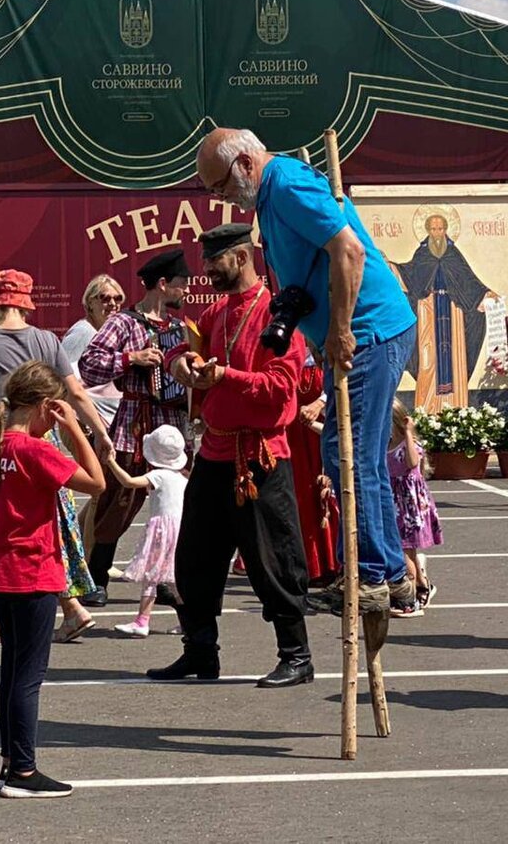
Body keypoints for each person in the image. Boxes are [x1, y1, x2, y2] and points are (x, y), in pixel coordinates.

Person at [196, 128, 417, 615]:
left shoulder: (287, 184)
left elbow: (349, 250)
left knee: (349, 455)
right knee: (356, 455)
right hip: (370, 330)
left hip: (370, 330)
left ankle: (372, 575)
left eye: (220, 185)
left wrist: (340, 331)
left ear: (245, 164)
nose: (221, 197)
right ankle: (389, 573)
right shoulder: (273, 192)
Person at [149, 223, 313, 687]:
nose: (206, 270)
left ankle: (297, 656)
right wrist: (180, 363)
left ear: (241, 258)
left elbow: (281, 389)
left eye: (213, 261)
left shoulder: (277, 315)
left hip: (261, 457)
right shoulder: (216, 311)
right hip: (215, 452)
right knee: (194, 558)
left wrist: (224, 377)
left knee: (273, 559)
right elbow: (183, 351)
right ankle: (200, 652)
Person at [0, 269, 112, 647]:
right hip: (43, 448)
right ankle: (72, 608)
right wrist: (100, 432)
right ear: (27, 305)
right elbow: (76, 393)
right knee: (49, 531)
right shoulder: (47, 341)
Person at [0, 361, 105, 797]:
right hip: (31, 572)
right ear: (46, 406)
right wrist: (75, 429)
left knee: (11, 673)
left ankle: (10, 763)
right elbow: (97, 483)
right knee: (27, 677)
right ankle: (23, 772)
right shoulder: (35, 450)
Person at [78, 250, 192, 607]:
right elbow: (89, 365)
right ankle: (97, 577)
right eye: (181, 284)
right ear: (163, 284)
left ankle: (165, 578)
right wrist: (131, 359)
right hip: (134, 420)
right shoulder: (124, 323)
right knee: (119, 500)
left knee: (174, 505)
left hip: (173, 423)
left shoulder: (179, 328)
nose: (186, 290)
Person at [393, 213, 499, 411]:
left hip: (453, 309)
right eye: (433, 229)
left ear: (446, 230)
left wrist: (485, 292)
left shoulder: (453, 254)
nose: (437, 233)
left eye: (440, 229)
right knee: (428, 356)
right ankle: (427, 407)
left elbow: (468, 280)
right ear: (427, 231)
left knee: (455, 355)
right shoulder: (422, 254)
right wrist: (393, 267)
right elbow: (410, 276)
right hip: (428, 311)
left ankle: (456, 404)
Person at [102, 425, 188, 639]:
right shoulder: (182, 478)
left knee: (152, 575)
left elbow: (129, 482)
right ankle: (189, 622)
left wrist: (111, 462)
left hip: (162, 531)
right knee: (173, 580)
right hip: (180, 530)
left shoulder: (158, 475)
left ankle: (142, 622)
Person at [289, 352, 339, 586]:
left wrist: (320, 403)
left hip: (325, 426)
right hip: (293, 433)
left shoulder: (326, 344)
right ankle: (310, 565)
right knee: (301, 493)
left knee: (327, 490)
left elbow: (344, 376)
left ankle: (334, 562)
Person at [388, 399, 442, 617]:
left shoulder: (409, 445)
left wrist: (409, 433)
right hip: (393, 503)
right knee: (403, 549)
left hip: (409, 506)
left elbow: (411, 463)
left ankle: (409, 598)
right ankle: (421, 583)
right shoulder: (384, 444)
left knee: (404, 549)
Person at [61, 273, 126, 427]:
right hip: (89, 425)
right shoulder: (83, 332)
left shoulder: (107, 334)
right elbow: (63, 381)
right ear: (90, 302)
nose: (113, 304)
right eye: (105, 298)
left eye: (117, 299)